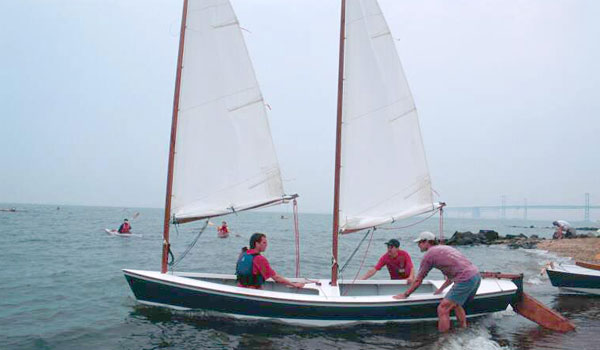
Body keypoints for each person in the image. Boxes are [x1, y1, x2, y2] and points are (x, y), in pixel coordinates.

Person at [393, 231, 481, 333]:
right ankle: (463, 329)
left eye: (420, 242)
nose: (418, 245)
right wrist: (441, 289)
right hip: (476, 276)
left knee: (442, 308)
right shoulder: (445, 248)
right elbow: (451, 276)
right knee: (456, 303)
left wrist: (405, 294)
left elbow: (418, 280)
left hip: (466, 279)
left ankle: (444, 339)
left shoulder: (428, 255)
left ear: (427, 242)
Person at [236, 233, 305, 289]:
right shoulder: (259, 259)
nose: (266, 245)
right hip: (253, 291)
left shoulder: (243, 254)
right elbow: (276, 277)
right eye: (264, 243)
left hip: (240, 288)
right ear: (257, 244)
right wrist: (294, 285)